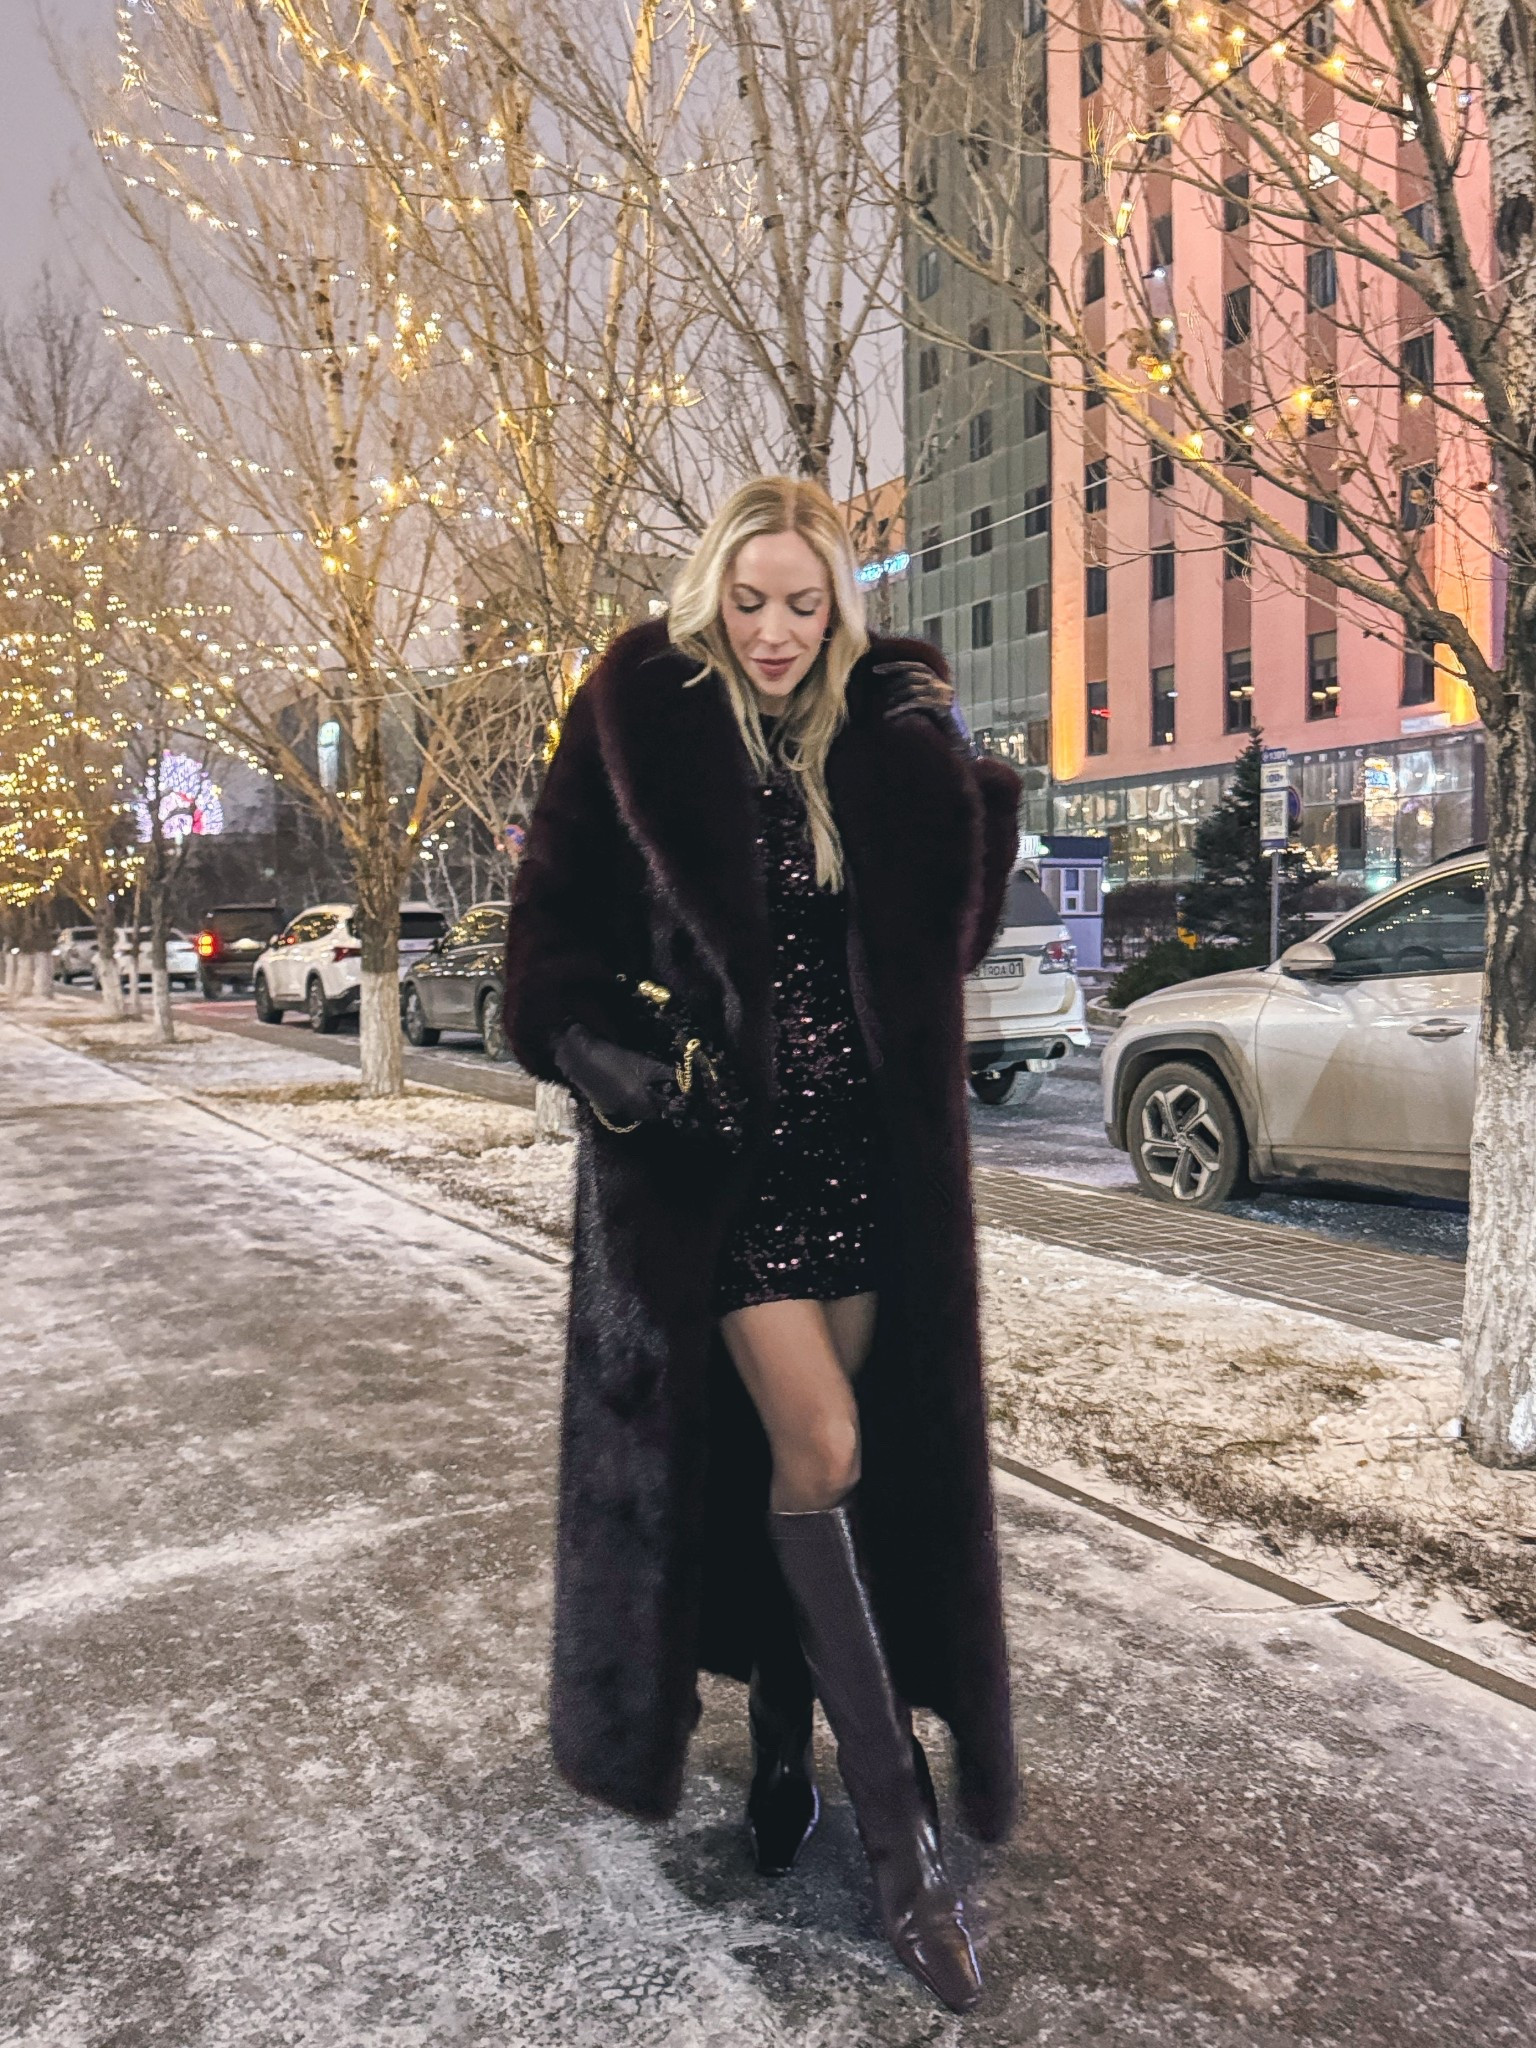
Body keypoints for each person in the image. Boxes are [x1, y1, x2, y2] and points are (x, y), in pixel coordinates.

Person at [504, 476, 1021, 2013]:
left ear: (839, 606)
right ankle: (897, 1840)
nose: (779, 629)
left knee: (820, 1482)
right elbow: (545, 958)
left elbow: (957, 941)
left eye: (807, 603)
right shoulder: (632, 719)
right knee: (825, 1437)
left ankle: (786, 1744)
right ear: (713, 592)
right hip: (717, 1178)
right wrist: (607, 1062)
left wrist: (947, 768)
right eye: (753, 599)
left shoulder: (869, 738)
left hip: (867, 1166)